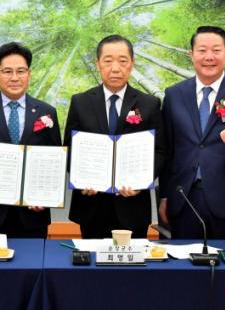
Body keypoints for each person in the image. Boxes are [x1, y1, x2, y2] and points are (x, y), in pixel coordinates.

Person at [159, 26, 225, 240]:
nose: (209, 57)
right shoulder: (174, 94)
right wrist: (164, 196)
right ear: (191, 54)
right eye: (202, 50)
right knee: (183, 259)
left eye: (216, 50)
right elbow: (168, 149)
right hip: (184, 197)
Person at [65, 35, 165, 239]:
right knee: (93, 258)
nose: (115, 68)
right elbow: (69, 149)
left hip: (133, 206)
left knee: (132, 259)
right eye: (108, 61)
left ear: (132, 64)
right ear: (98, 64)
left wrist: (141, 183)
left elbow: (161, 151)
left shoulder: (149, 103)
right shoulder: (80, 102)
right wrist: (82, 179)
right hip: (91, 205)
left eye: (123, 61)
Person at [0, 42, 61, 238]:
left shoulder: (46, 111)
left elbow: (56, 158)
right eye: (7, 71)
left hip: (33, 215)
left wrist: (45, 194)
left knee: (32, 259)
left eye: (20, 71)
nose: (15, 77)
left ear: (29, 74)